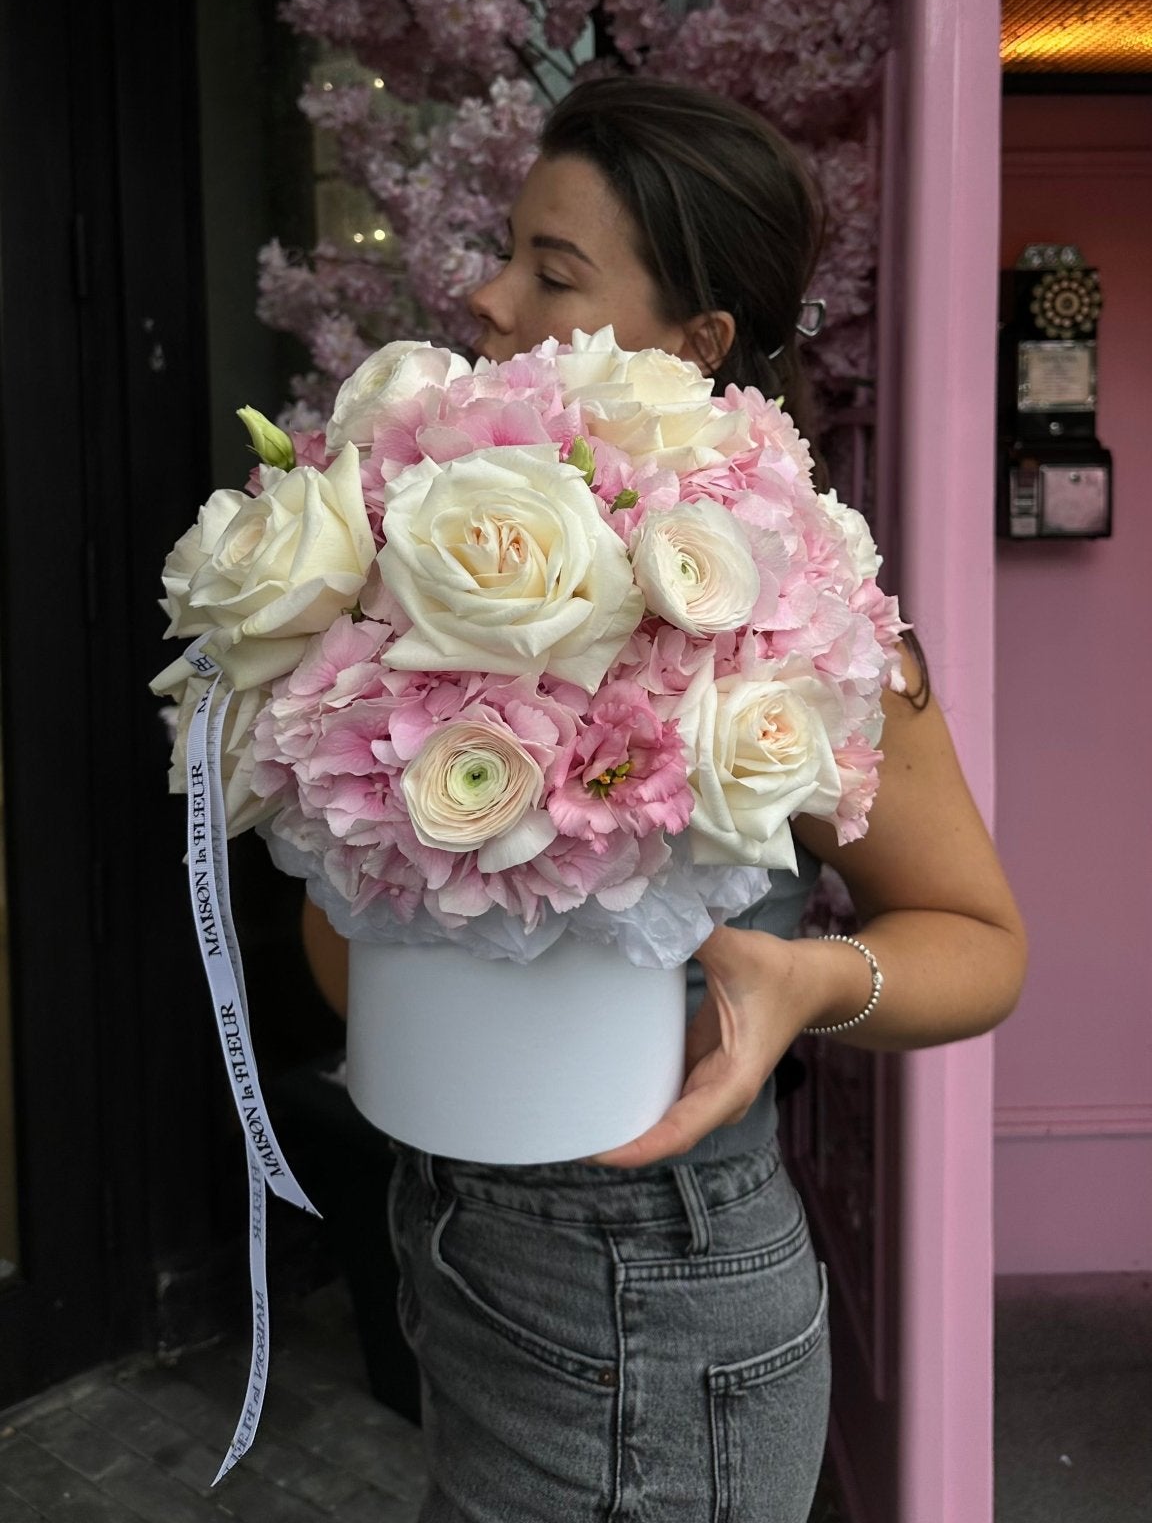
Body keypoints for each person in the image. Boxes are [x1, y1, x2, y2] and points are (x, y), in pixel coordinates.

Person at [303, 76, 1028, 1522]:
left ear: (694, 345)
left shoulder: (803, 621)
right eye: (507, 248)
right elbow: (347, 953)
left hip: (657, 1267)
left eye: (550, 269)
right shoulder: (429, 559)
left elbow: (980, 940)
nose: (486, 294)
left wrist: (805, 980)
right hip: (450, 1223)